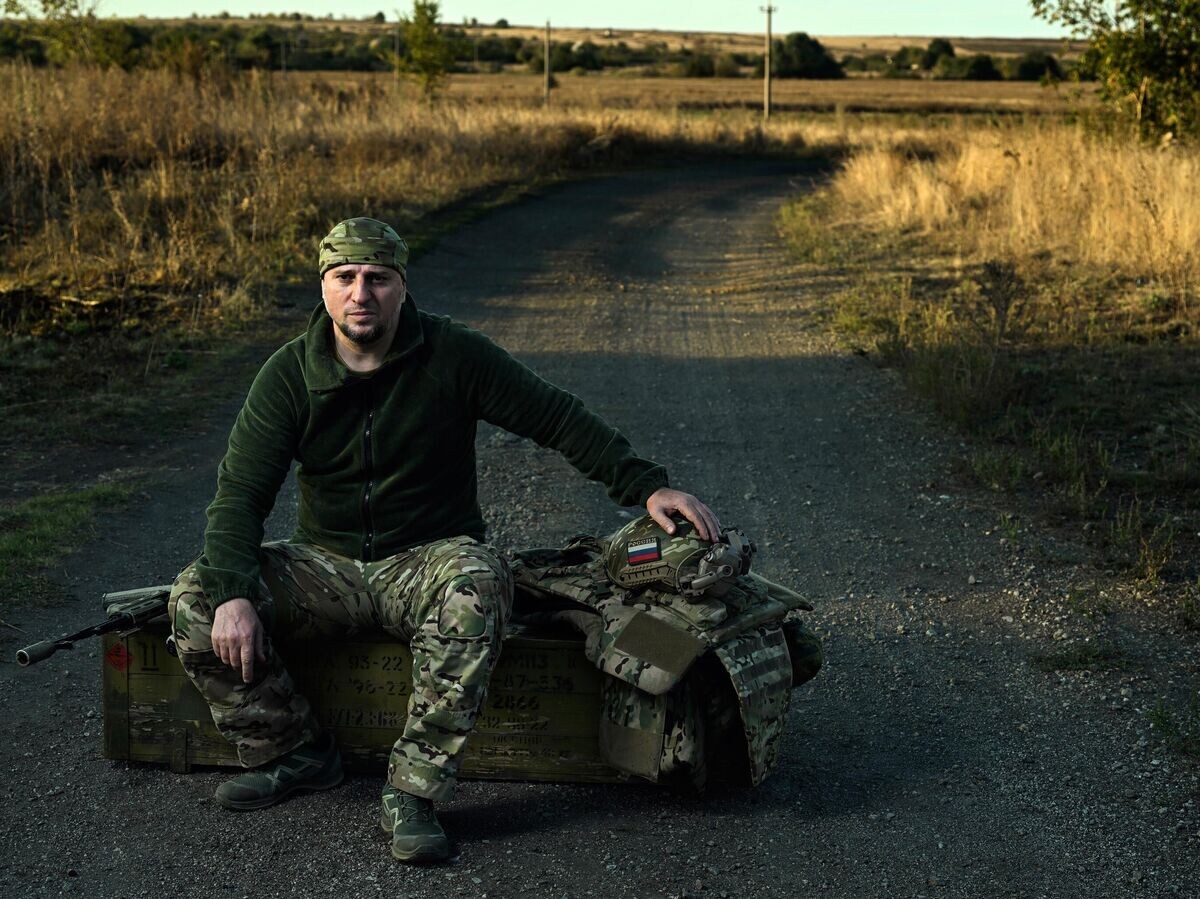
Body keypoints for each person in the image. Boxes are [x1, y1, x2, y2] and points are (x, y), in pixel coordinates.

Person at [168, 217, 719, 863]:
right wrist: (234, 592)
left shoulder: (452, 354)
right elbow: (239, 496)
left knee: (478, 584)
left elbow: (555, 415)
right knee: (196, 598)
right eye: (344, 278)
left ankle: (413, 790)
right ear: (323, 287)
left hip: (427, 557)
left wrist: (646, 485)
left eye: (378, 278)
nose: (360, 293)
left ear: (402, 286)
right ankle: (295, 753)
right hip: (327, 563)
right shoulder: (288, 374)